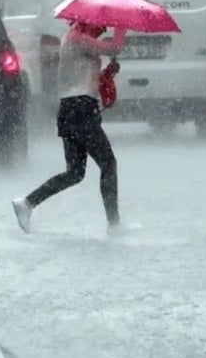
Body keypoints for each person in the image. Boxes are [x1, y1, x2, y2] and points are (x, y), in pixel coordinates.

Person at [12, 21, 126, 234]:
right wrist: (122, 26)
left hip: (72, 109)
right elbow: (115, 48)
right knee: (108, 163)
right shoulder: (78, 38)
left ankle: (26, 204)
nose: (102, 31)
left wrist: (107, 72)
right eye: (100, 27)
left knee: (74, 173)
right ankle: (114, 224)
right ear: (86, 22)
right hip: (81, 110)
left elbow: (82, 77)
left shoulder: (76, 39)